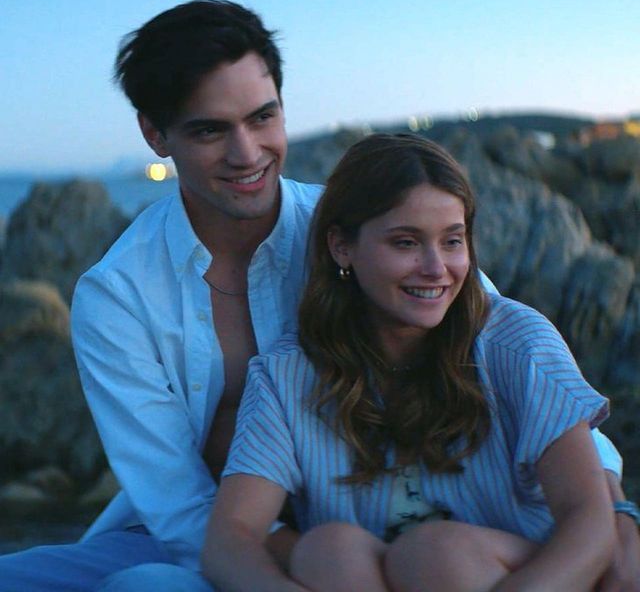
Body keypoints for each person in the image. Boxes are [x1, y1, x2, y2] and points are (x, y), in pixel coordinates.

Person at [0, 0, 635, 591]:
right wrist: (285, 555)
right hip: (251, 536)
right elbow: (183, 508)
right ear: (156, 135)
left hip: (396, 534)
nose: (246, 153)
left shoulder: (362, 227)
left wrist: (615, 514)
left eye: (262, 117)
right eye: (208, 131)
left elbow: (499, 340)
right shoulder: (119, 297)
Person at [203, 133, 640, 592]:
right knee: (328, 550)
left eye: (452, 241)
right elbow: (230, 539)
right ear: (341, 246)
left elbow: (591, 523)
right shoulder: (286, 376)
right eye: (406, 242)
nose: (436, 268)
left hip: (528, 577)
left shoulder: (516, 343)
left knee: (434, 555)